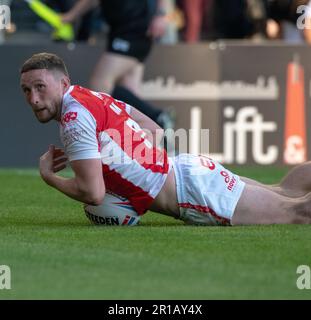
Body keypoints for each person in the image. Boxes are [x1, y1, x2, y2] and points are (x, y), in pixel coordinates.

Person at [20, 52, 311, 226]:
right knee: (287, 191)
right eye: (27, 90)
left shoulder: (73, 119)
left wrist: (50, 177)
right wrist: (141, 162)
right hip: (187, 170)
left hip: (193, 194)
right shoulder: (89, 97)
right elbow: (152, 126)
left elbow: (93, 193)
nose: (33, 99)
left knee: (298, 213)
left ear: (63, 84)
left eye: (40, 87)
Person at [61, 0, 175, 132]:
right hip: (121, 29)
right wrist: (71, 16)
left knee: (100, 83)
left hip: (134, 29)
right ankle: (151, 131)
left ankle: (157, 117)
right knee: (128, 91)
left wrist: (161, 15)